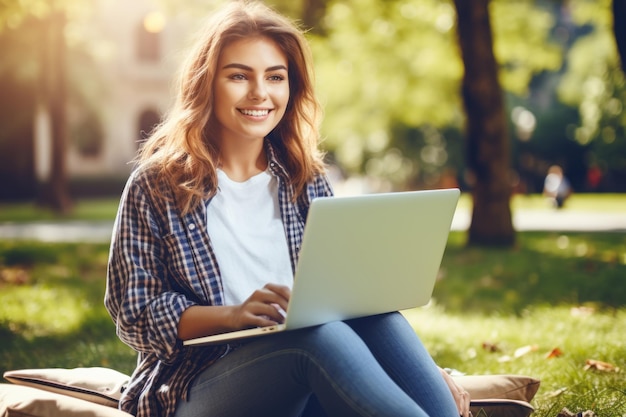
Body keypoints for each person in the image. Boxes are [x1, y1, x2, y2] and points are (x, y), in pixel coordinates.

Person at [105, 2, 470, 416]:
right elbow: (134, 315)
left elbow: (342, 296)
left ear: (290, 88)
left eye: (275, 77)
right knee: (317, 339)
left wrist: (414, 372)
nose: (260, 93)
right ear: (207, 83)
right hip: (196, 385)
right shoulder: (156, 185)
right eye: (239, 75)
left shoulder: (305, 179)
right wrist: (233, 316)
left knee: (377, 316)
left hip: (303, 379)